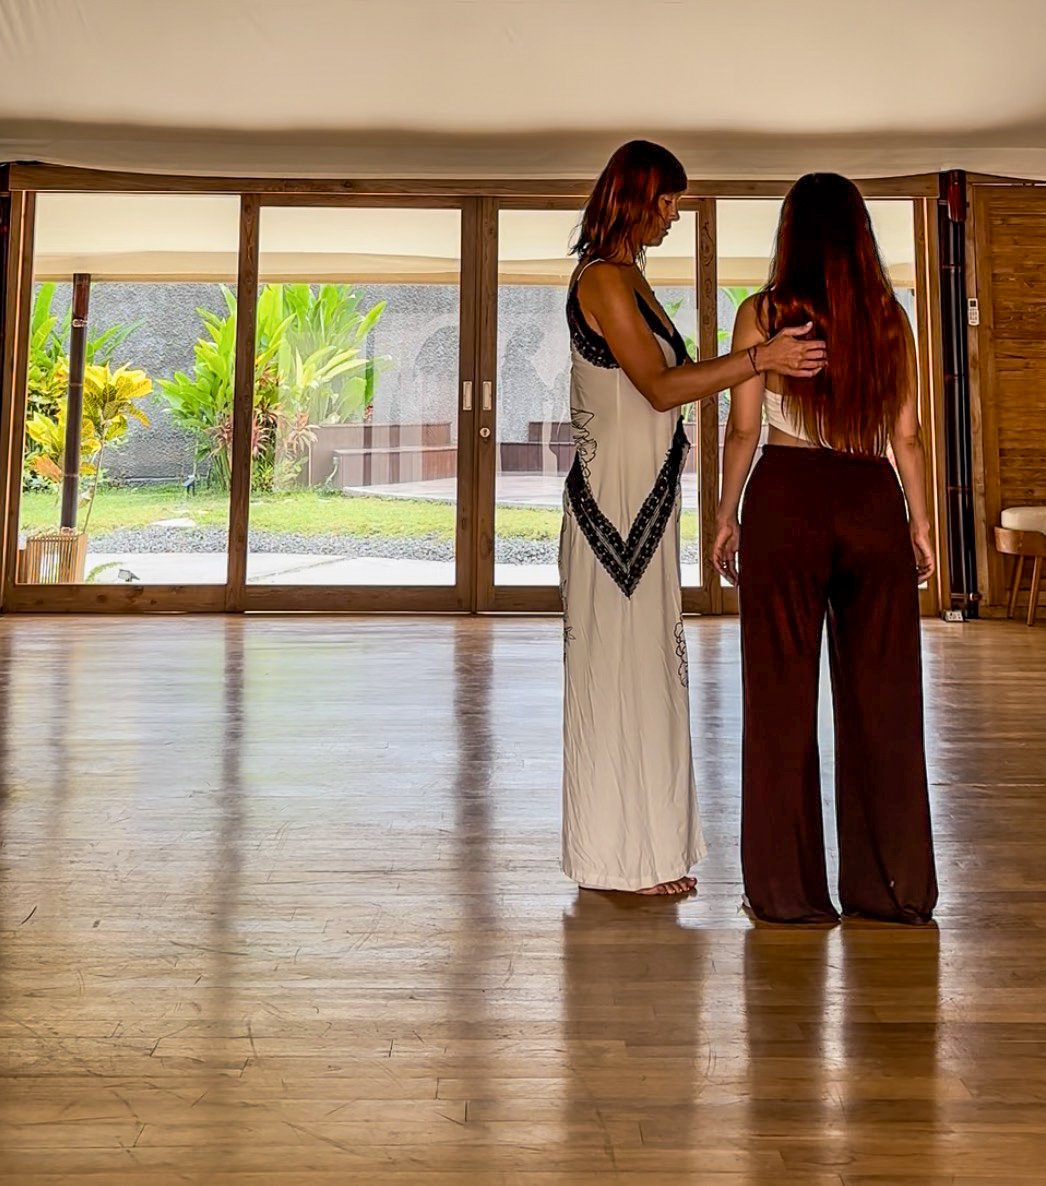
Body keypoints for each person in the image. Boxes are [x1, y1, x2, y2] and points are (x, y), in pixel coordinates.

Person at [561, 141, 825, 896]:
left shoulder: (631, 278)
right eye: (668, 202)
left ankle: (644, 853)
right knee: (613, 678)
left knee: (646, 675)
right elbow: (659, 387)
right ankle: (612, 862)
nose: (674, 216)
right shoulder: (604, 280)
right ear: (634, 196)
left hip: (641, 506)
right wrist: (759, 358)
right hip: (610, 512)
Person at [713, 172, 939, 924]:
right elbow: (906, 433)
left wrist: (724, 512)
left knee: (778, 697)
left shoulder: (762, 314)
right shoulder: (889, 318)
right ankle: (892, 890)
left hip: (788, 500)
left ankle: (787, 894)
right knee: (886, 702)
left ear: (791, 233)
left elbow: (743, 427)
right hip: (872, 497)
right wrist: (920, 521)